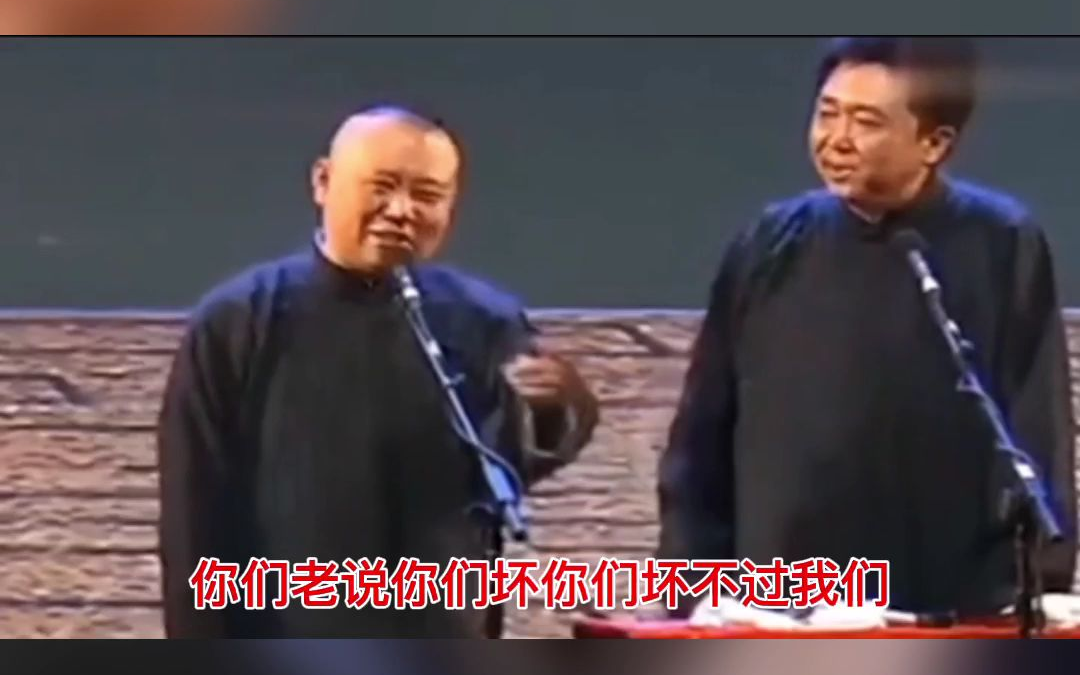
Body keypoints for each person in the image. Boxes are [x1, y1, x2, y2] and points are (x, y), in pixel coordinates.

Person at [657, 37, 1076, 617]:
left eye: (866, 122)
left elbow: (1035, 425)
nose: (837, 139)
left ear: (934, 143)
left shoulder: (1001, 241)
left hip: (947, 598)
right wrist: (685, 592)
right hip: (782, 600)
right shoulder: (771, 242)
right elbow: (702, 440)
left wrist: (1040, 583)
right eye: (828, 114)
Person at [156, 106, 599, 638]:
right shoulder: (239, 322)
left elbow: (506, 465)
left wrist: (561, 410)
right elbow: (194, 513)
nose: (401, 211)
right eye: (382, 187)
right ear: (323, 182)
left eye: (427, 195)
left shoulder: (482, 319)